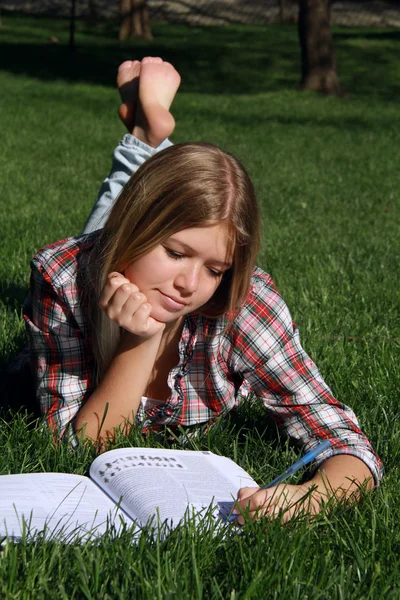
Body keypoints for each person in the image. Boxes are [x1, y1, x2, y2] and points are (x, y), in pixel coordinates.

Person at [23, 57, 382, 522]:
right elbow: (74, 448)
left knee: (133, 239)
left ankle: (146, 130)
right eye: (175, 253)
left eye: (215, 267)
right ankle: (145, 141)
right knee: (106, 226)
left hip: (128, 244)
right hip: (105, 256)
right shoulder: (63, 278)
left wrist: (309, 500)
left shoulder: (242, 301)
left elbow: (344, 439)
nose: (190, 286)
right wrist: (142, 342)